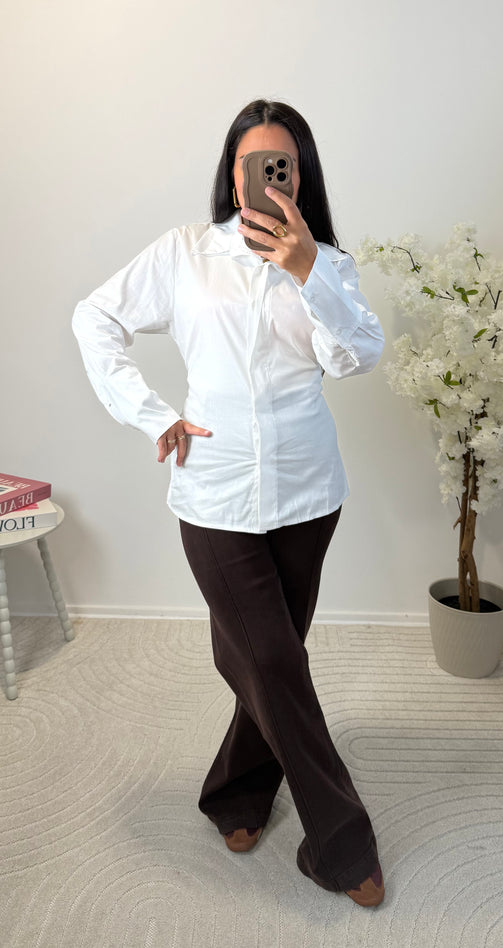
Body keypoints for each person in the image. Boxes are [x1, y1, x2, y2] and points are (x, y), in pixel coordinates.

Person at [72, 99, 386, 908]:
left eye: (285, 166)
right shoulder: (184, 253)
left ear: (302, 177)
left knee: (272, 658)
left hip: (308, 491)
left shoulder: (327, 263)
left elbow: (356, 356)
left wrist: (308, 272)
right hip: (213, 490)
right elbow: (94, 315)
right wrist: (151, 413)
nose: (270, 180)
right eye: (256, 165)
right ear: (233, 172)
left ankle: (236, 794)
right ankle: (343, 845)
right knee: (266, 658)